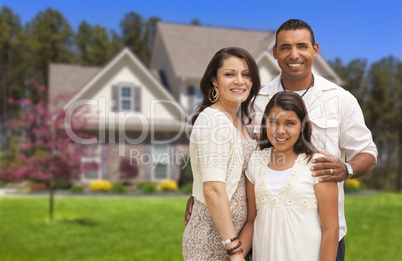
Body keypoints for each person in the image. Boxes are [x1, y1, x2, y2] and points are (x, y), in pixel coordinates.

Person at [185, 19, 378, 261]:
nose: (294, 54)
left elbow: (367, 152)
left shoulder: (341, 99)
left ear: (315, 50)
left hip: (324, 238)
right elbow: (232, 152)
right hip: (264, 236)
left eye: (302, 46)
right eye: (285, 47)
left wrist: (346, 169)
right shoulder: (255, 100)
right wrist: (202, 194)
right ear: (275, 53)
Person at [182, 47, 260, 261]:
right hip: (213, 238)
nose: (239, 81)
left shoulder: (239, 121)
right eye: (229, 74)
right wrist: (234, 251)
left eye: (246, 74)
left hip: (235, 238)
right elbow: (213, 189)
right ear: (214, 81)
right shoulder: (212, 120)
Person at [241, 91, 339, 260]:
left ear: (302, 126)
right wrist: (235, 255)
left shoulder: (318, 165)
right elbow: (251, 221)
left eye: (290, 123)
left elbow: (331, 230)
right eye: (273, 122)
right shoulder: (256, 161)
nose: (280, 131)